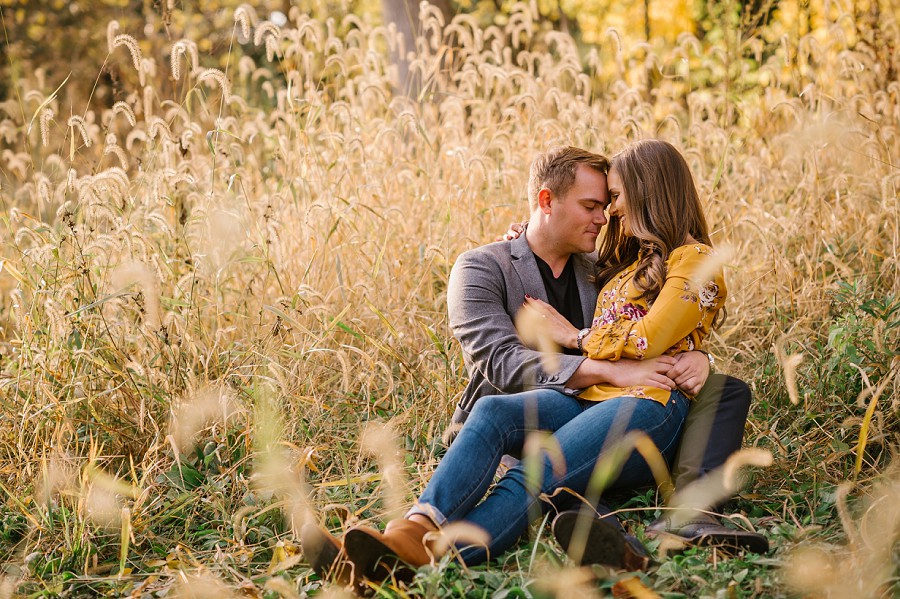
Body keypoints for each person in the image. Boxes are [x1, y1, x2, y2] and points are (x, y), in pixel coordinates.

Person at [302, 142, 763, 585]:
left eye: (611, 203)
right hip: (566, 406)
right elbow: (503, 362)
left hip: (627, 408)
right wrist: (609, 368)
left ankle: (425, 559)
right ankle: (409, 532)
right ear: (547, 200)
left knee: (542, 468)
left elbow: (672, 313)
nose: (606, 218)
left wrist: (699, 357)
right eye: (592, 206)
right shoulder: (483, 267)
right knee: (492, 412)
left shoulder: (604, 263)